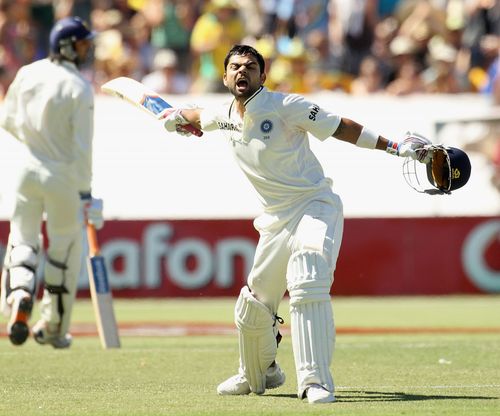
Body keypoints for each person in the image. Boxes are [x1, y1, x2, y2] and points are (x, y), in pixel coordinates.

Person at [161, 44, 431, 404]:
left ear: (263, 75)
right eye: (236, 67)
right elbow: (196, 116)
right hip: (274, 220)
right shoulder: (222, 113)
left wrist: (396, 146)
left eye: (251, 67)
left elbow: (341, 127)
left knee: (307, 278)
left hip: (314, 206)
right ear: (224, 76)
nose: (243, 72)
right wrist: (178, 120)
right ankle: (260, 371)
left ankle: (314, 381)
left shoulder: (286, 106)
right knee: (255, 304)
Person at [0, 16, 104, 348]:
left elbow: (7, 120)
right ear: (66, 46)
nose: (87, 50)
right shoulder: (78, 87)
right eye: (83, 44)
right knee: (63, 251)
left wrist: (36, 143)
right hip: (63, 177)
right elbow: (82, 149)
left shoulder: (28, 73)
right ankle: (53, 326)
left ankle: (18, 295)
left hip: (27, 169)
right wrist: (86, 191)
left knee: (23, 239)